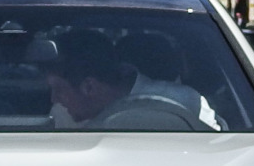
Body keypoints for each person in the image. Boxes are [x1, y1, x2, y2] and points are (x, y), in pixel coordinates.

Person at [47, 29, 221, 130]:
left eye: (59, 89)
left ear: (89, 87)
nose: (54, 98)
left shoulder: (185, 103)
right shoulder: (61, 114)